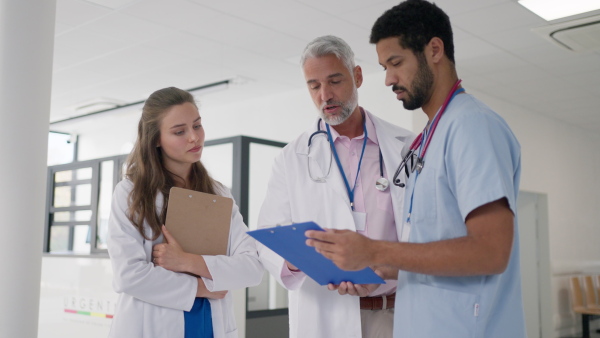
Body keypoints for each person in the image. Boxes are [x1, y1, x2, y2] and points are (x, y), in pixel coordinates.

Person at [306, 1, 526, 337]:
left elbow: (491, 251)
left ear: (434, 50)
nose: (389, 79)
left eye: (396, 63)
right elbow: (438, 243)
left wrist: (374, 249)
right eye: (384, 67)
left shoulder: (471, 126)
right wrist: (388, 269)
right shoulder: (427, 139)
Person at [257, 35, 414, 338]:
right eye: (314, 86)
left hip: (394, 313)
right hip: (326, 315)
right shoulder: (292, 158)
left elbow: (423, 231)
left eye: (334, 81)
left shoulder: (405, 147)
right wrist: (295, 259)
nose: (324, 95)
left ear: (357, 76)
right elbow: (269, 237)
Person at [107, 87, 263, 338]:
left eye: (197, 126)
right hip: (152, 325)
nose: (194, 137)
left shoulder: (219, 194)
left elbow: (252, 268)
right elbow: (128, 276)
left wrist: (187, 262)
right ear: (156, 138)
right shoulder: (131, 193)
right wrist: (201, 287)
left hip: (212, 325)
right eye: (180, 131)